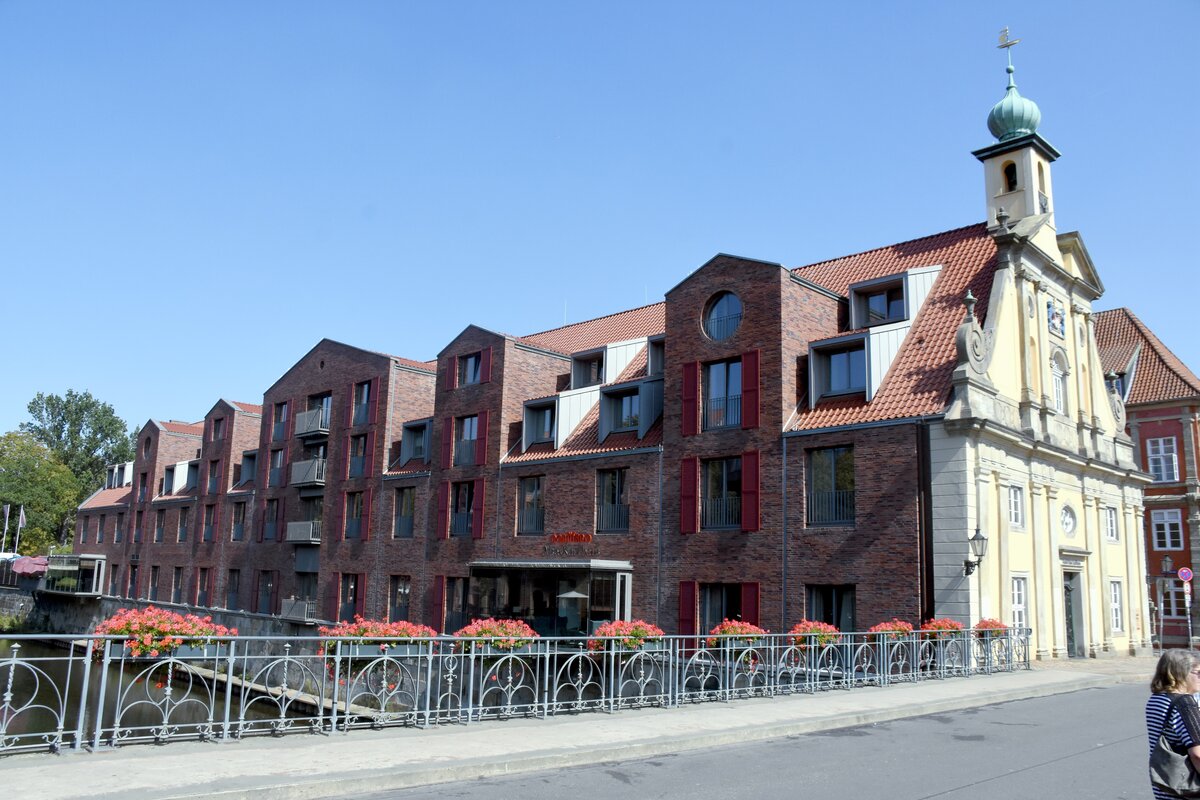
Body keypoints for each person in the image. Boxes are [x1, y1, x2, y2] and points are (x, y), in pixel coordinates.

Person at [1147, 649, 1200, 798]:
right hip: (1188, 788)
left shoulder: (1156, 699)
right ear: (1181, 674)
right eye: (1197, 673)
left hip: (1166, 784)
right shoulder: (1184, 703)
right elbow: (1197, 754)